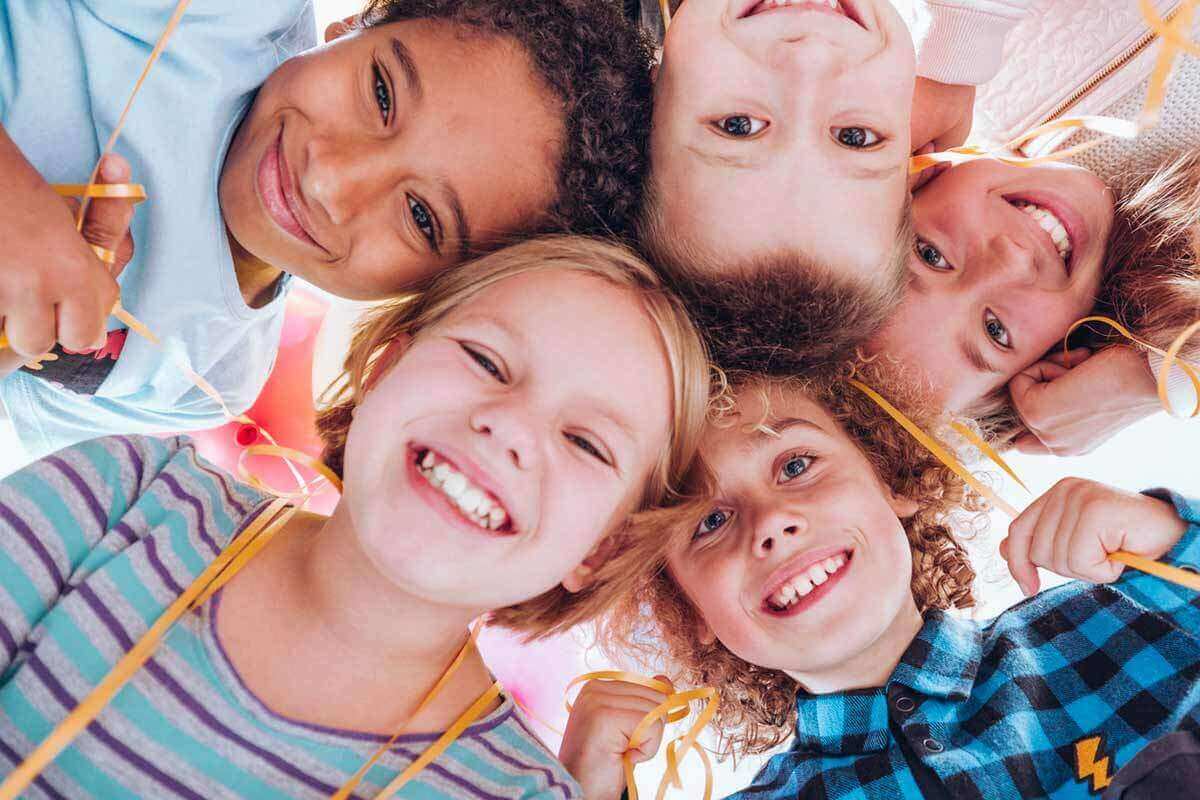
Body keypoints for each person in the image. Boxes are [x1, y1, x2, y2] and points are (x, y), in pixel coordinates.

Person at [0, 236, 710, 798]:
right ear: (382, 369)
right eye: (487, 361)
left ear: (604, 548)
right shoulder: (127, 493)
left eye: (586, 443)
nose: (511, 429)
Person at [0, 0, 655, 466]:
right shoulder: (220, 16)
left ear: (436, 294)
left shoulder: (205, 378)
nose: (332, 179)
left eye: (422, 218)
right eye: (380, 92)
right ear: (353, 25)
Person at [565, 363, 1200, 799]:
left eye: (796, 464)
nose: (771, 524)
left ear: (892, 478)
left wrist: (1171, 539)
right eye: (707, 522)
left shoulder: (1126, 617)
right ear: (691, 610)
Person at [874, 0, 1200, 455]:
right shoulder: (1180, 259)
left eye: (931, 255)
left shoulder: (939, 57)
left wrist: (956, 49)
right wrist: (1160, 377)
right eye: (996, 331)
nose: (1011, 257)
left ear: (911, 184)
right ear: (1059, 360)